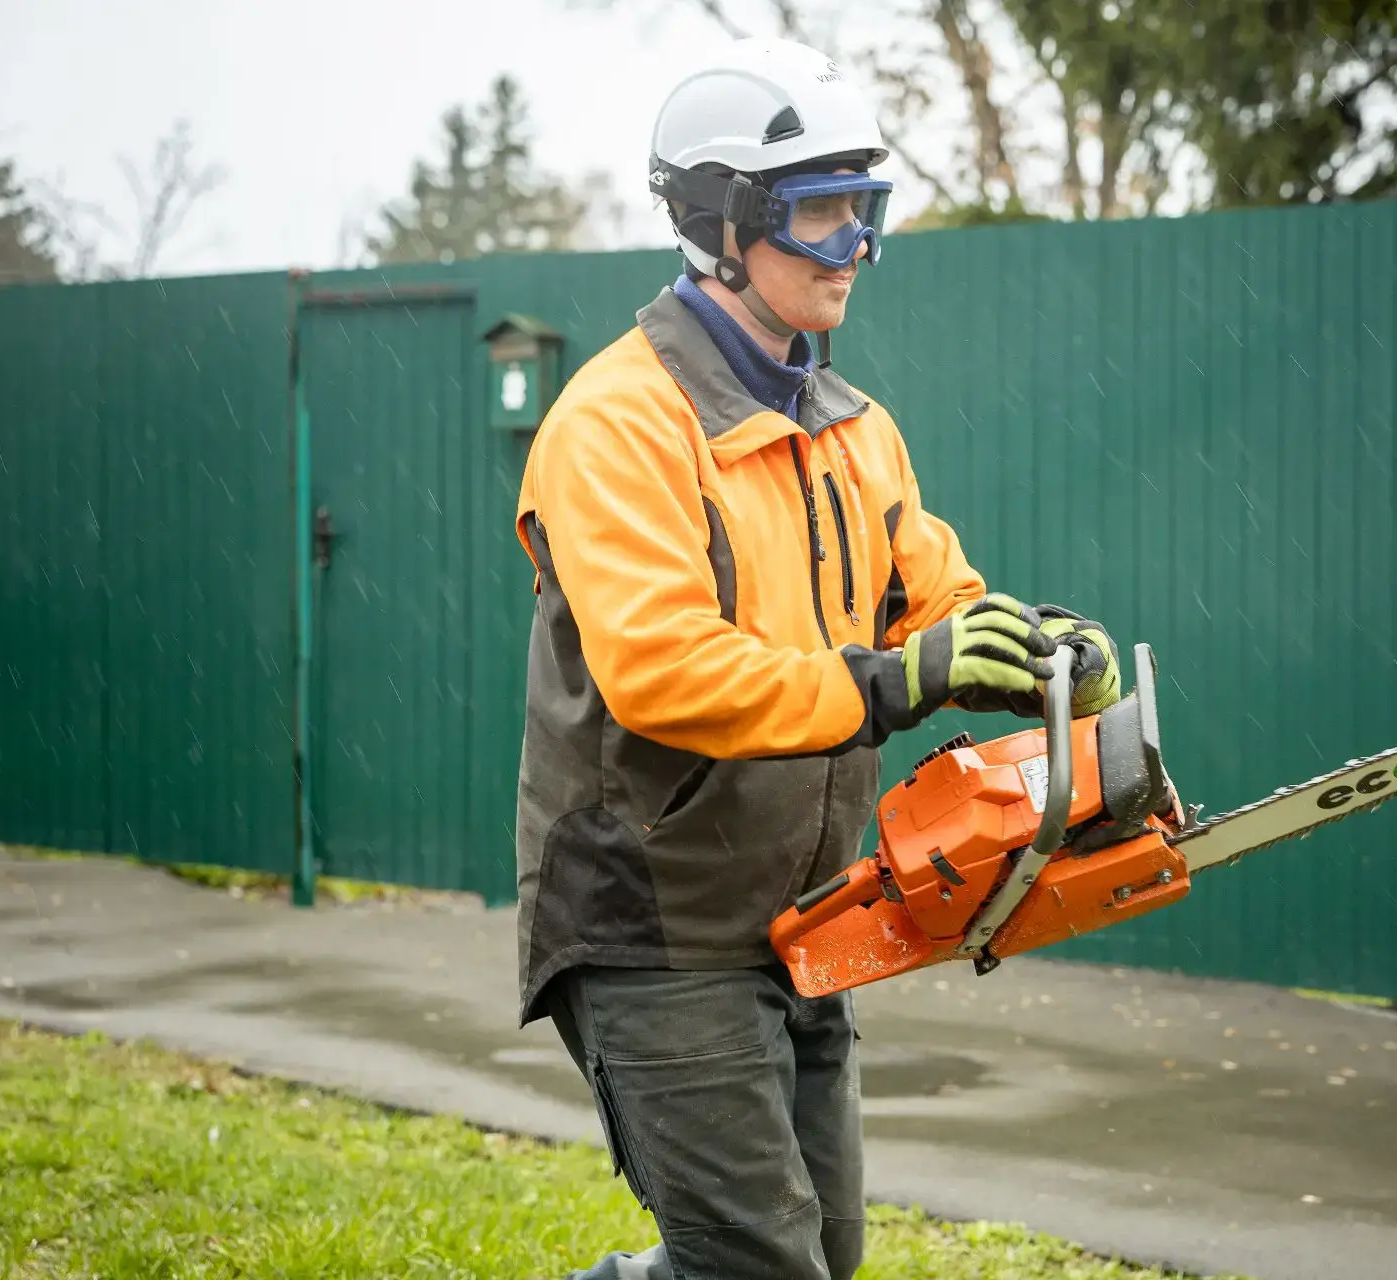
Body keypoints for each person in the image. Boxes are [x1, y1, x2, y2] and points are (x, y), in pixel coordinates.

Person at [511, 36, 1121, 1280]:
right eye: (823, 213)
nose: (858, 246)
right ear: (725, 223)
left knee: (817, 1259)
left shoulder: (851, 430)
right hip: (648, 919)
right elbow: (664, 669)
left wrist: (1034, 652)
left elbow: (931, 601)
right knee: (761, 1266)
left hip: (803, 918)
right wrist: (898, 682)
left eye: (867, 209)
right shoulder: (617, 424)